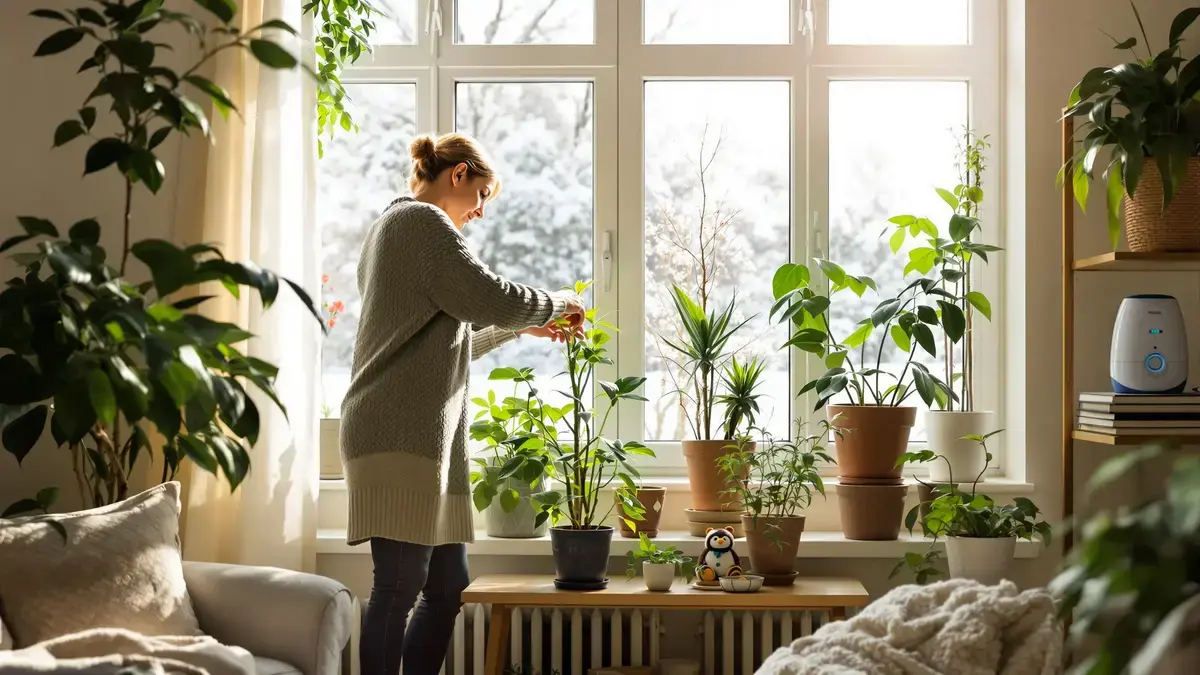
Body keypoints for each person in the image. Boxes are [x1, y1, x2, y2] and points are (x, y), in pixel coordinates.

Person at [340, 132, 586, 675]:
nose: (479, 212)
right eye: (481, 195)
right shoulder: (422, 224)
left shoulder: (391, 226)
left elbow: (446, 344)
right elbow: (490, 296)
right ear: (458, 175)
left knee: (447, 586)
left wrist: (524, 330)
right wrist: (559, 303)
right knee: (399, 587)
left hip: (417, 435)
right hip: (397, 432)